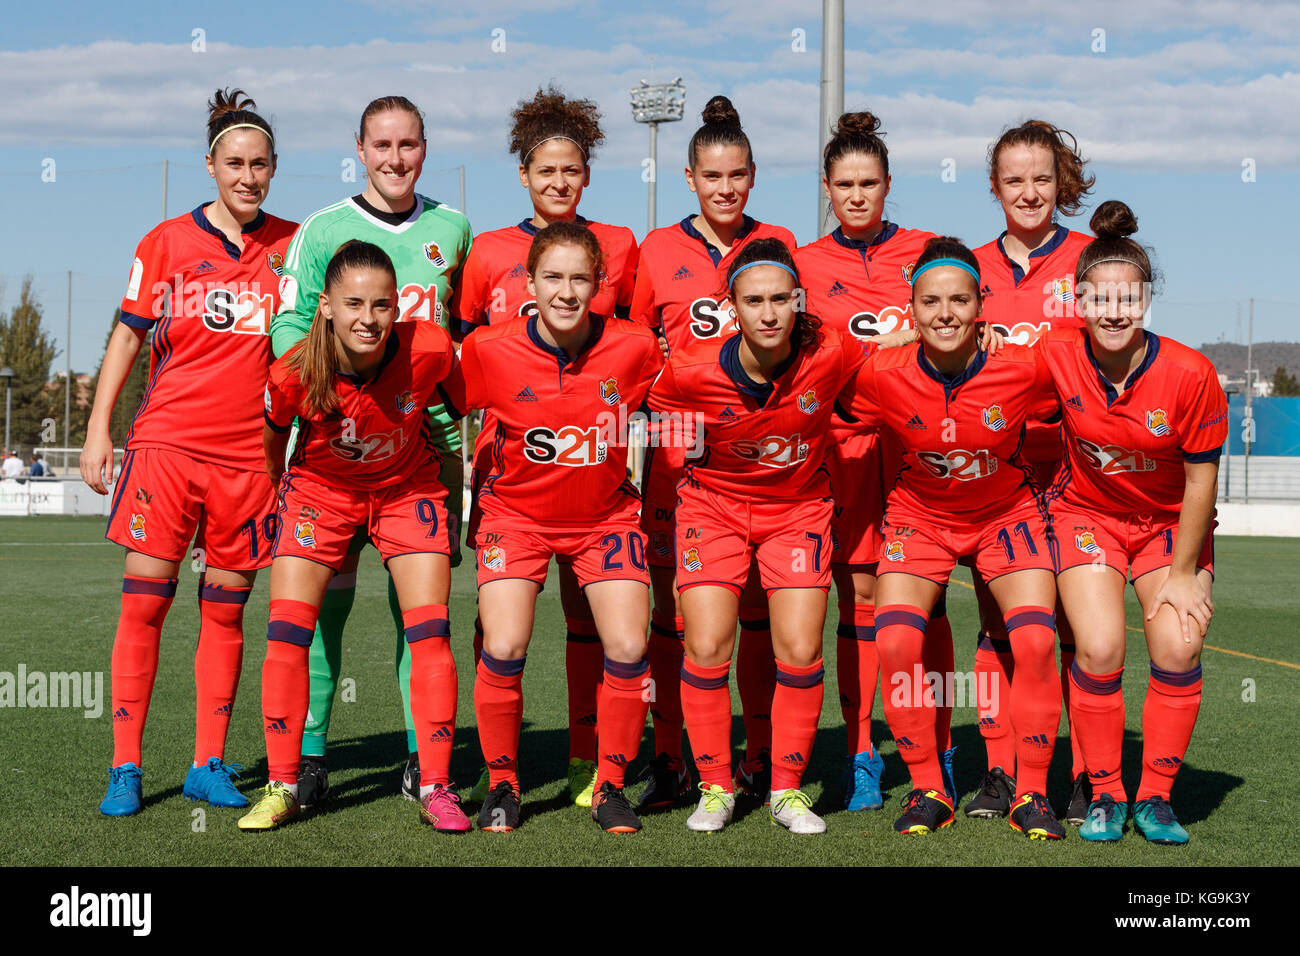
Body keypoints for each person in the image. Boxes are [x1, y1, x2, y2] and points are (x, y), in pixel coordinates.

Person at [82, 89, 297, 816]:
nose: (247, 176)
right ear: (210, 165)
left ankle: (208, 762)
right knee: (145, 604)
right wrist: (98, 426)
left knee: (227, 611)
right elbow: (128, 335)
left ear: (273, 169)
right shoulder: (165, 242)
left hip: (250, 462)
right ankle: (127, 767)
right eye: (234, 163)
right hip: (167, 448)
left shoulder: (294, 245)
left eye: (260, 164)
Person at [647, 237, 889, 835]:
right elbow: (643, 411)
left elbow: (885, 359)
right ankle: (715, 787)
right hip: (714, 507)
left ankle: (786, 789)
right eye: (754, 301)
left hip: (799, 511)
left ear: (800, 300)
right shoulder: (689, 369)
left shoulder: (830, 350)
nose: (769, 313)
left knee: (801, 651)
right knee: (705, 645)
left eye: (781, 298)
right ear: (732, 308)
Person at [270, 95, 472, 807]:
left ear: (425, 147)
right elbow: (290, 321)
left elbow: (454, 346)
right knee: (323, 610)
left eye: (408, 145)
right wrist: (332, 393)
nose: (395, 158)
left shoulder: (454, 226)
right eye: (382, 145)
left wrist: (455, 455)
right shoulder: (322, 229)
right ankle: (311, 754)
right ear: (360, 148)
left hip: (412, 455)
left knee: (418, 614)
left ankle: (425, 759)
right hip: (332, 450)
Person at [450, 85, 638, 808]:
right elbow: (458, 354)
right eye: (545, 170)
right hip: (513, 476)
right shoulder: (487, 249)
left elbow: (648, 362)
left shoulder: (618, 245)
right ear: (524, 175)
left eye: (572, 169)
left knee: (598, 628)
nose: (559, 181)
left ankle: (596, 764)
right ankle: (500, 774)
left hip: (596, 475)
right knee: (503, 633)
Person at [845, 237, 1066, 840]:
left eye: (960, 300)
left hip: (1007, 515)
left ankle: (1034, 794)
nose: (946, 313)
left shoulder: (1023, 366)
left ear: (980, 306)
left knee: (1036, 642)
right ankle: (928, 788)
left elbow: (1083, 376)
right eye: (931, 302)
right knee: (893, 640)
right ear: (910, 311)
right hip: (919, 518)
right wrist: (878, 344)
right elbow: (822, 378)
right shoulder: (882, 372)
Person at [241, 240, 466, 833]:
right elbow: (272, 447)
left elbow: (457, 412)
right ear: (326, 307)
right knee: (288, 634)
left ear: (399, 306)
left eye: (383, 304)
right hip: (322, 493)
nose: (369, 318)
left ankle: (436, 785)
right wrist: (284, 497)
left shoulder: (432, 348)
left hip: (406, 491)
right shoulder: (294, 371)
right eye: (355, 304)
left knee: (430, 632)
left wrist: (459, 500)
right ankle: (283, 783)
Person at [1038, 201, 1227, 844]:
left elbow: (1202, 480)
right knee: (1098, 647)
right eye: (1100, 299)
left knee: (1178, 644)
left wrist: (1185, 574)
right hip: (1087, 515)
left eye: (1129, 298)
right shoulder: (1056, 357)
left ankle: (1156, 799)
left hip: (1170, 524)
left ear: (1147, 300)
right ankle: (1106, 796)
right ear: (1078, 300)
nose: (1114, 312)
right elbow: (983, 365)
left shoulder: (1190, 373)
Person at [630, 95, 797, 811]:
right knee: (676, 621)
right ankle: (673, 759)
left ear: (752, 176)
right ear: (690, 177)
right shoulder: (658, 249)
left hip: (763, 461)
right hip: (679, 459)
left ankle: (760, 758)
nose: (725, 188)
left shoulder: (779, 240)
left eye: (737, 175)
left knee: (759, 620)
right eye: (711, 176)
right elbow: (636, 349)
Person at [794, 109, 959, 813]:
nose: (857, 195)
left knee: (930, 605)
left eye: (869, 183)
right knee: (858, 599)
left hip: (920, 454)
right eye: (844, 184)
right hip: (846, 456)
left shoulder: (928, 252)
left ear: (888, 184)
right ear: (827, 188)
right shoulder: (803, 262)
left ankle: (942, 749)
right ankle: (862, 751)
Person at [965, 119, 1096, 822]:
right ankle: (997, 770)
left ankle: (1078, 769)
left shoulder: (1091, 262)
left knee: (1072, 629)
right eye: (1013, 179)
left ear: (1061, 183)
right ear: (993, 186)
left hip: (1075, 476)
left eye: (1041, 177)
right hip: (998, 477)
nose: (1028, 191)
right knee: (999, 627)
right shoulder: (970, 269)